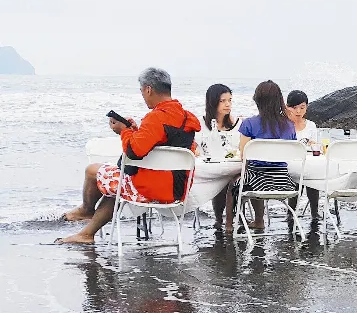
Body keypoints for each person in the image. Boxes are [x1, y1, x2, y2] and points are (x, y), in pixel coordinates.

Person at [59, 68, 202, 244]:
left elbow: (133, 152)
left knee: (92, 171)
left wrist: (123, 131)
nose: (142, 95)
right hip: (178, 190)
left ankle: (87, 211)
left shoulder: (157, 117)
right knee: (117, 184)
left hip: (149, 189)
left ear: (148, 89)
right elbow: (162, 143)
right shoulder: (187, 118)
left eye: (142, 91)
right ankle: (86, 233)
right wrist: (136, 131)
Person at [230, 81, 301, 232]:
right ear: (279, 101)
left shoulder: (249, 124)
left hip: (257, 182)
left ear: (257, 100)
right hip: (284, 182)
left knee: (234, 182)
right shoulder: (289, 125)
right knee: (253, 175)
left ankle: (235, 223)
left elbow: (244, 156)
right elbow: (293, 152)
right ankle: (261, 220)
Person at [198, 83, 241, 225]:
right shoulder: (201, 124)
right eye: (223, 101)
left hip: (233, 166)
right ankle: (219, 219)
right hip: (211, 167)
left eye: (230, 100)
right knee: (223, 179)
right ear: (213, 102)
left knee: (235, 178)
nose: (228, 104)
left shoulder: (238, 124)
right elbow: (197, 148)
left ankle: (233, 219)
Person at [285, 90, 322, 221]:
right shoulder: (283, 125)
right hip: (288, 164)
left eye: (302, 107)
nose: (298, 111)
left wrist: (313, 144)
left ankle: (314, 212)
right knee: (299, 176)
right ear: (287, 107)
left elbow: (317, 148)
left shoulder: (311, 125)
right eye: (294, 108)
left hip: (307, 162)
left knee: (311, 174)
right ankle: (291, 212)